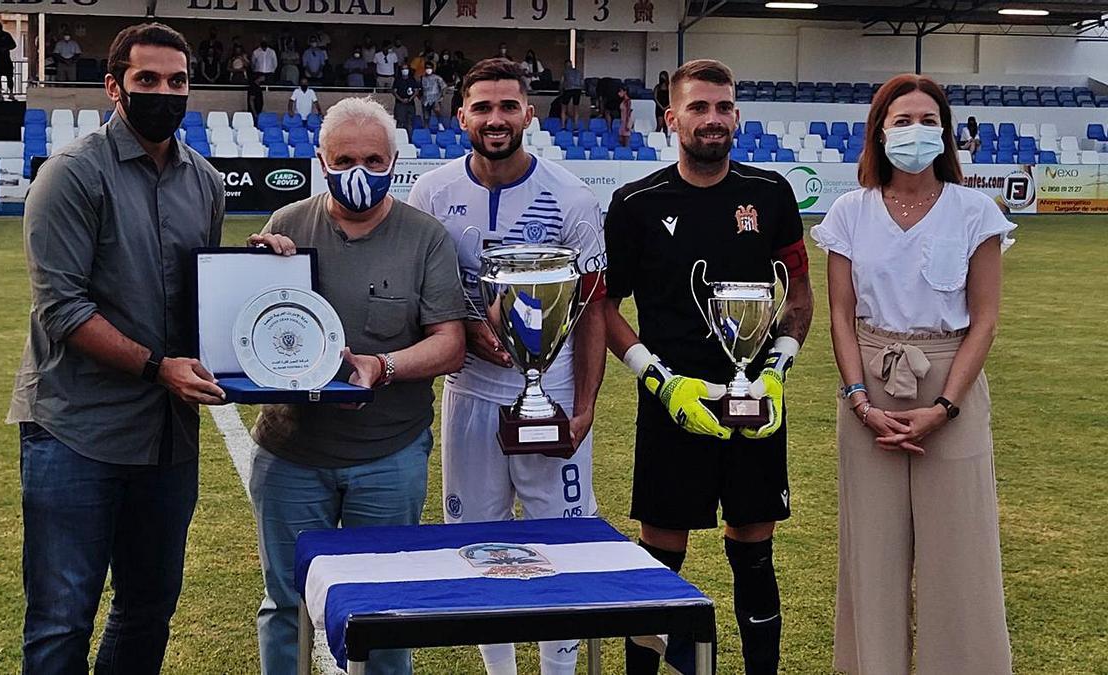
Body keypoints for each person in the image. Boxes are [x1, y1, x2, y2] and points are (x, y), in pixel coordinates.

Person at [7, 22, 225, 674]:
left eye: (178, 82)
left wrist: (258, 275)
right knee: (60, 617)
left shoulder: (206, 183)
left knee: (148, 607)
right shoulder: (70, 176)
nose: (165, 92)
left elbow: (196, 295)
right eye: (147, 80)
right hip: (76, 428)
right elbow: (64, 309)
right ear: (114, 87)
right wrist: (158, 367)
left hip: (165, 437)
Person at [602, 58, 814, 675]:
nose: (712, 120)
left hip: (756, 402)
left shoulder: (770, 194)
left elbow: (798, 297)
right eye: (698, 108)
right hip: (674, 405)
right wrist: (658, 381)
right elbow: (606, 309)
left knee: (753, 550)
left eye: (723, 107)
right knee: (661, 558)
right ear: (671, 118)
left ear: (737, 116)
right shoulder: (635, 203)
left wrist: (778, 368)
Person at [245, 95, 467, 675]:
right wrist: (252, 275)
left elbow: (450, 342)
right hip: (290, 453)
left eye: (373, 159)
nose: (359, 174)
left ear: (394, 160)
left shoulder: (426, 237)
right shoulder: (287, 224)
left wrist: (383, 366)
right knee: (286, 604)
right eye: (344, 159)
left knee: (385, 607)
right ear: (321, 161)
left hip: (388, 455)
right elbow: (243, 334)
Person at [406, 57, 608, 675]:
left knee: (562, 541)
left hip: (558, 388)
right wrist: (469, 326)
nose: (496, 119)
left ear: (530, 112)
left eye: (508, 106)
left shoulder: (571, 196)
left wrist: (586, 407)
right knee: (478, 541)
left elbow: (594, 309)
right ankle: (500, 669)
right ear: (461, 114)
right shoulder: (432, 193)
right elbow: (425, 299)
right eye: (483, 107)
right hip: (469, 392)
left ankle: (559, 669)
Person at [811, 73, 1014, 675]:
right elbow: (841, 317)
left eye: (929, 121)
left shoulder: (975, 210)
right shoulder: (851, 211)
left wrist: (944, 408)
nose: (916, 132)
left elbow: (985, 320)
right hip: (869, 388)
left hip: (950, 382)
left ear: (946, 132)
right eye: (902, 121)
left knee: (961, 550)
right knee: (871, 553)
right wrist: (858, 399)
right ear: (880, 131)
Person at [392, 65, 419, 130]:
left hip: (410, 104)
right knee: (400, 122)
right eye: (403, 69)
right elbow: (394, 92)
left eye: (406, 69)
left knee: (410, 123)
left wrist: (410, 99)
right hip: (400, 104)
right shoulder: (398, 80)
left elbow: (416, 91)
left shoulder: (412, 80)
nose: (405, 70)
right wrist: (401, 99)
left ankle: (409, 138)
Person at [560, 60, 583, 127]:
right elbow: (582, 82)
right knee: (576, 108)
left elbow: (561, 82)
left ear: (565, 65)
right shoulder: (578, 72)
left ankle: (563, 125)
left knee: (563, 108)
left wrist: (560, 91)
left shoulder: (565, 72)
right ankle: (575, 125)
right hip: (577, 90)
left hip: (568, 89)